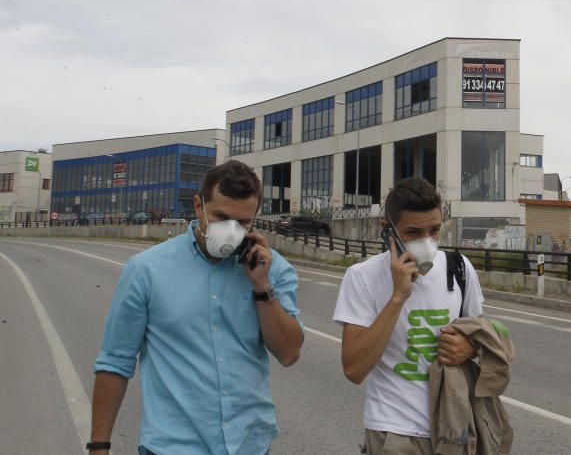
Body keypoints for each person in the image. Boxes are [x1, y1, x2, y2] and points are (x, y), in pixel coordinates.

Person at [88, 159, 304, 455]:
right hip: (172, 446)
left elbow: (289, 353)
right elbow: (115, 362)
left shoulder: (273, 268)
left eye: (242, 223)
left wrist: (261, 287)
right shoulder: (147, 270)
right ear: (198, 205)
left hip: (250, 444)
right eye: (220, 217)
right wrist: (99, 447)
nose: (230, 230)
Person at [334, 177, 485, 454]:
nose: (427, 242)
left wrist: (470, 347)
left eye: (434, 230)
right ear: (387, 231)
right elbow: (354, 369)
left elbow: (480, 337)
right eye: (413, 233)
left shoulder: (460, 269)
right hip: (394, 431)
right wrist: (397, 297)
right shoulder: (362, 277)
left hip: (452, 426)